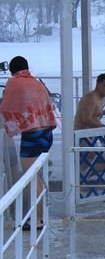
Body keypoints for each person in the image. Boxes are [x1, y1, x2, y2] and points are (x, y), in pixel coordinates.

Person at [0, 56, 57, 230]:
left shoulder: (14, 83)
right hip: (46, 133)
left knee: (31, 178)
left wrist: (10, 126)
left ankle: (37, 220)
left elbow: (7, 107)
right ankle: (39, 217)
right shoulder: (36, 83)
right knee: (37, 177)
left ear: (12, 70)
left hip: (32, 136)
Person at [74, 73, 105, 174]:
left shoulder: (99, 98)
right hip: (82, 137)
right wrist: (103, 128)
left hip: (90, 137)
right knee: (103, 161)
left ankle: (82, 179)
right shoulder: (91, 98)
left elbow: (94, 118)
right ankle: (81, 180)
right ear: (98, 84)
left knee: (99, 161)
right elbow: (86, 118)